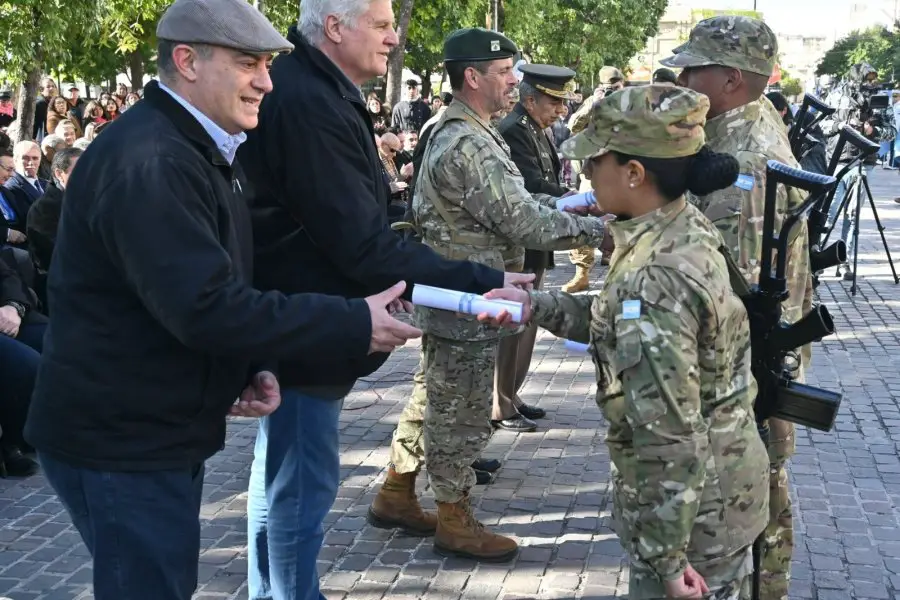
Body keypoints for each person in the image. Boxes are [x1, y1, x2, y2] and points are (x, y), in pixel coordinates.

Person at [23, 1, 422, 599]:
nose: (265, 80)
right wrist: (351, 322)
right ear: (186, 61)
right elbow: (205, 306)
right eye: (247, 64)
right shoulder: (155, 159)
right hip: (122, 436)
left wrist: (246, 366)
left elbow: (205, 290)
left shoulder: (198, 146)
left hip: (150, 426)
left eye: (266, 63)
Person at [236, 3, 532, 598]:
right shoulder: (309, 102)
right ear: (336, 28)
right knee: (299, 485)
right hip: (309, 324)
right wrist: (476, 281)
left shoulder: (317, 92)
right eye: (381, 24)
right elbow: (361, 246)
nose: (395, 37)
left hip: (307, 317)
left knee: (284, 479)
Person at [479, 84, 770, 600]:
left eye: (594, 161)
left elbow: (669, 433)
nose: (585, 174)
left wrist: (666, 560)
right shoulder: (677, 227)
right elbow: (620, 322)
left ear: (634, 173)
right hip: (719, 496)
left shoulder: (653, 275)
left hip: (693, 521)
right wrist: (537, 307)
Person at [367, 27, 608, 563]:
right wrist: (601, 232)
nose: (514, 81)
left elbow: (512, 204)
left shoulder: (473, 130)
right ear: (472, 77)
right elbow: (521, 219)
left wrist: (571, 212)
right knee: (462, 409)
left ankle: (397, 491)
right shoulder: (469, 140)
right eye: (504, 73)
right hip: (465, 296)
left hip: (461, 289)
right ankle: (455, 516)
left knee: (433, 395)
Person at [662, 16, 813, 600]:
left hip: (744, 364)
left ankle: (759, 587)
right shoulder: (745, 122)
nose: (682, 76)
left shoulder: (744, 159)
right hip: (758, 355)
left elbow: (730, 285)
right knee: (762, 484)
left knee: (751, 492)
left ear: (729, 79)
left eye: (693, 67)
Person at [494, 64, 579, 433]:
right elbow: (529, 184)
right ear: (530, 99)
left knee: (525, 321)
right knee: (513, 321)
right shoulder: (514, 130)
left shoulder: (535, 129)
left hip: (535, 239)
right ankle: (500, 400)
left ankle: (511, 392)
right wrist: (574, 200)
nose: (560, 110)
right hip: (521, 238)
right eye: (554, 102)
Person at [561, 65, 625, 293]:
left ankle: (616, 261)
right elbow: (572, 126)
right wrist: (591, 104)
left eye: (615, 87)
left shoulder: (632, 102)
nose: (611, 92)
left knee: (624, 219)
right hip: (594, 169)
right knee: (584, 211)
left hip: (624, 171)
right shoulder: (593, 102)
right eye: (608, 88)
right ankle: (582, 271)